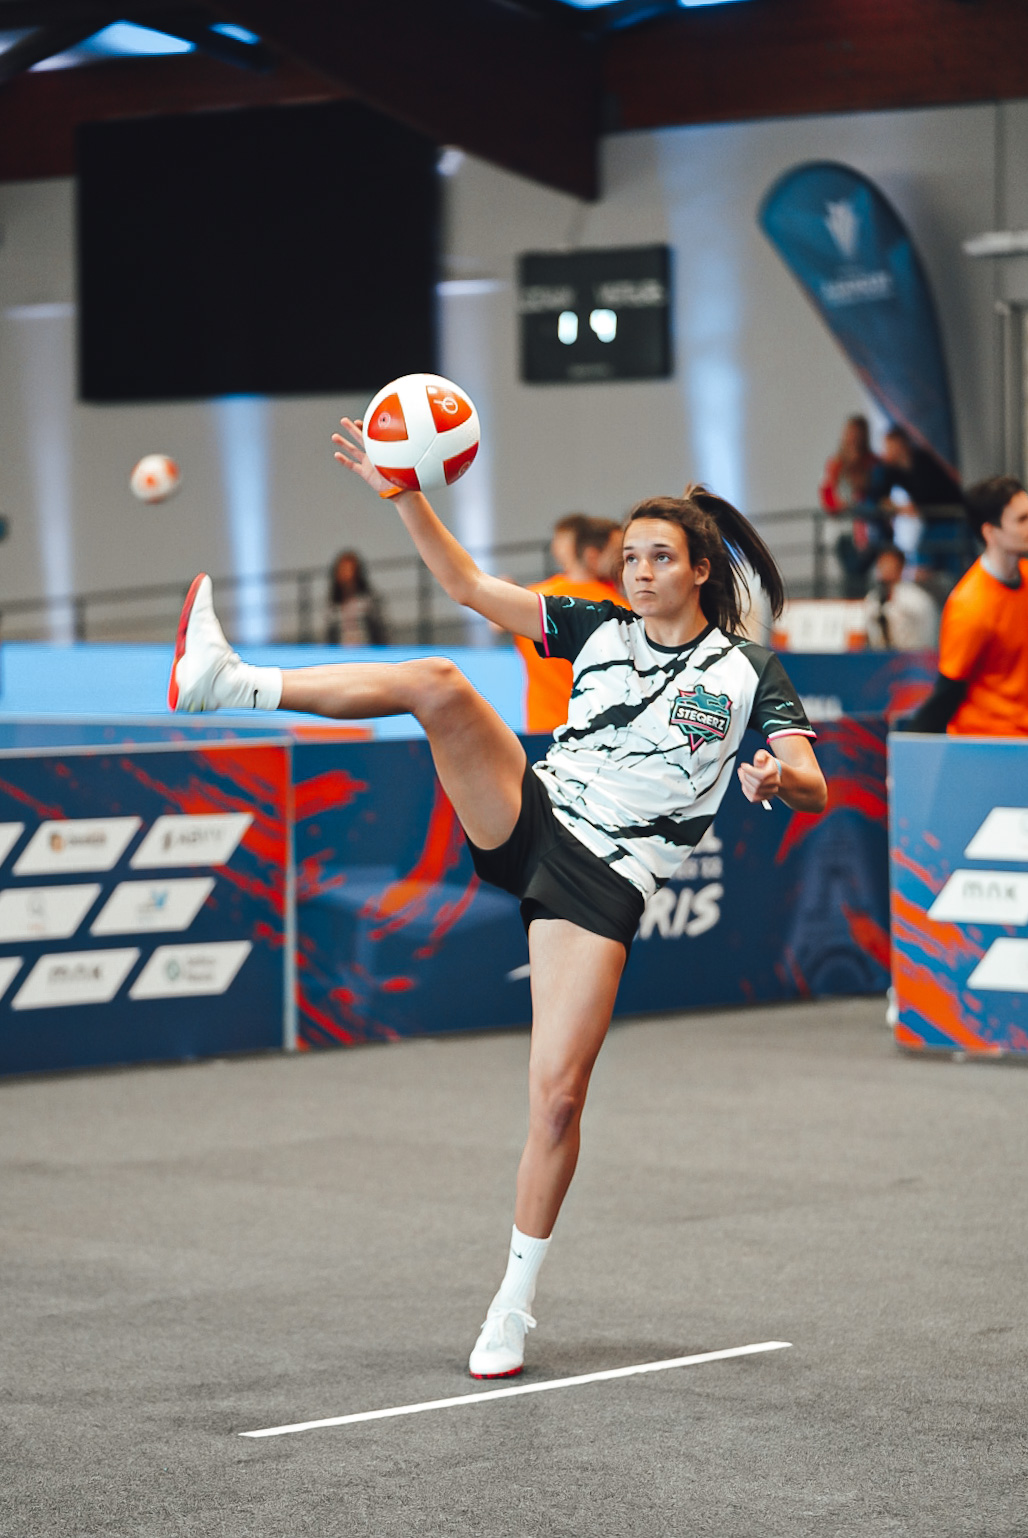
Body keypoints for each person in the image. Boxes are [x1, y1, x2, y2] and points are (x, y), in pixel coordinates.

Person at [168, 415, 828, 1379]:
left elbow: (813, 782)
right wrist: (405, 495)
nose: (639, 572)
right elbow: (470, 588)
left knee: (557, 1102)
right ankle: (229, 682)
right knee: (439, 681)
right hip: (534, 812)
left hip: (604, 883)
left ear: (699, 571)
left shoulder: (749, 672)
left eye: (658, 558)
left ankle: (512, 1305)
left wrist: (775, 778)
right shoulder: (595, 627)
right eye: (629, 556)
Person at [898, 475, 1028, 735]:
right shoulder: (970, 605)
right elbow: (947, 693)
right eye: (1022, 520)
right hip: (986, 742)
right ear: (990, 532)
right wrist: (906, 749)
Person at [514, 514, 630, 733]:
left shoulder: (529, 599)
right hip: (597, 733)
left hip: (540, 728)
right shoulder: (620, 610)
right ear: (592, 556)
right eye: (618, 554)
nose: (624, 563)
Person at [867, 426, 964, 581]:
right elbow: (878, 495)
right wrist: (896, 507)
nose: (887, 451)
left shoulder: (922, 461)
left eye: (889, 446)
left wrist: (912, 508)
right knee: (923, 562)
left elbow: (931, 493)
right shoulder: (894, 470)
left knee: (956, 564)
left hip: (952, 517)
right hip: (932, 522)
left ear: (900, 444)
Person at [819, 415, 883, 597]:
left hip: (868, 529)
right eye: (850, 433)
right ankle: (853, 601)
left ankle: (861, 600)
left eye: (857, 434)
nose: (853, 438)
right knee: (851, 573)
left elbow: (877, 491)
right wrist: (839, 505)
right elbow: (827, 495)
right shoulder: (835, 464)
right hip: (844, 529)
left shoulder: (872, 463)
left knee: (862, 572)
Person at [863, 544, 939, 651]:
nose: (885, 568)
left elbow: (929, 630)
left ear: (900, 566)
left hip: (912, 654)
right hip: (880, 656)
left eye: (889, 563)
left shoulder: (917, 599)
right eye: (882, 564)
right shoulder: (872, 598)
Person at [325, 549, 389, 646]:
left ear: (357, 572)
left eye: (350, 570)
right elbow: (328, 636)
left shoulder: (369, 601)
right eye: (343, 570)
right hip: (341, 651)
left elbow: (382, 629)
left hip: (367, 650)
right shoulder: (333, 606)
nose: (346, 574)